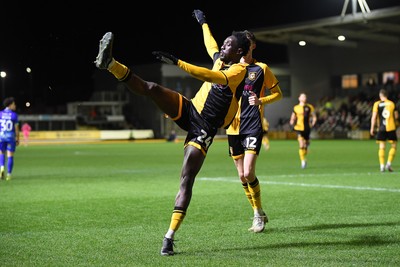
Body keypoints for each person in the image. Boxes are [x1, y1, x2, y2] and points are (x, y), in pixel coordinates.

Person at [94, 14, 250, 256]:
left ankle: (169, 236)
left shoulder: (239, 70)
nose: (223, 46)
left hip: (204, 128)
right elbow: (211, 44)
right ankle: (111, 64)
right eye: (225, 43)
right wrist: (203, 23)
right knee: (152, 88)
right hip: (190, 109)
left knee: (186, 178)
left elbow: (208, 76)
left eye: (229, 44)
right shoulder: (221, 58)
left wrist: (177, 62)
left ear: (239, 51)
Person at [220, 27, 282, 233]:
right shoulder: (231, 68)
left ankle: (257, 216)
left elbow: (278, 94)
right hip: (232, 127)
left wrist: (260, 100)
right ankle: (259, 210)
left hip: (252, 125)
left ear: (252, 46)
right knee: (241, 176)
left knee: (248, 172)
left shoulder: (262, 69)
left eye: (244, 41)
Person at [370, 88, 398, 172]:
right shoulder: (392, 103)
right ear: (387, 95)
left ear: (380, 95)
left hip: (381, 128)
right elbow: (396, 116)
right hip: (391, 128)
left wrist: (372, 128)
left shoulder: (376, 104)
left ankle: (382, 166)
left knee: (382, 147)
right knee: (394, 146)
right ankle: (388, 164)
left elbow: (374, 117)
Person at [289, 93, 317, 169]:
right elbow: (293, 117)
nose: (304, 98)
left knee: (306, 144)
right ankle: (303, 161)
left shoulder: (309, 107)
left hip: (307, 128)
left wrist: (313, 123)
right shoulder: (296, 108)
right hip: (298, 128)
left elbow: (314, 117)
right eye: (302, 96)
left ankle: (306, 149)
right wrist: (291, 123)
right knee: (301, 144)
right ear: (299, 98)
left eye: (305, 96)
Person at [0, 97, 20, 181]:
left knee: (1, 153)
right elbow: (16, 129)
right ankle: (9, 174)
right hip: (10, 136)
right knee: (10, 155)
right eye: (14, 104)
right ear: (10, 104)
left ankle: (1, 168)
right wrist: (17, 138)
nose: (15, 105)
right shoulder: (14, 115)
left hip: (1, 136)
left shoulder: (0, 113)